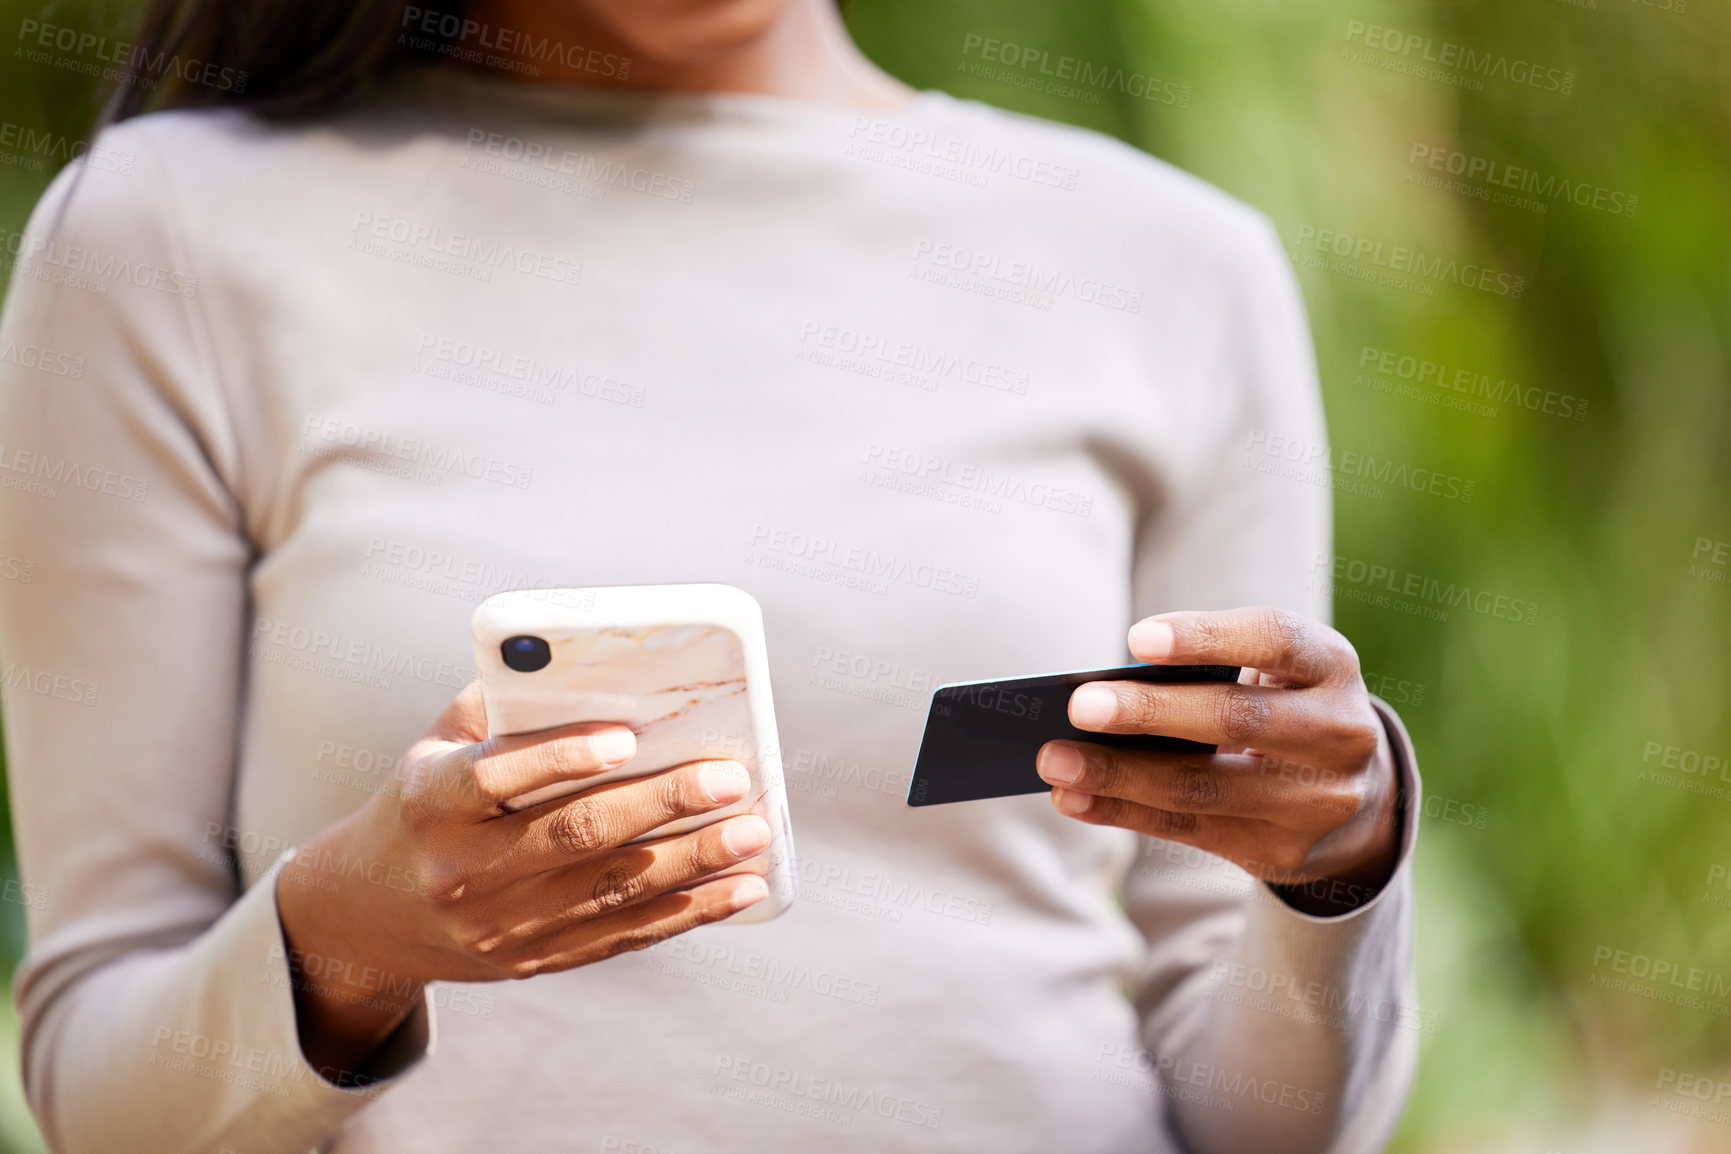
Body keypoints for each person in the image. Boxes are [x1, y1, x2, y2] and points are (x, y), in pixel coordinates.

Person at [0, 1, 1423, 1150]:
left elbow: (1273, 1130)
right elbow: (100, 1083)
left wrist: (1339, 860)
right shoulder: (164, 241)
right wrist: (349, 944)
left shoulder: (1175, 267)